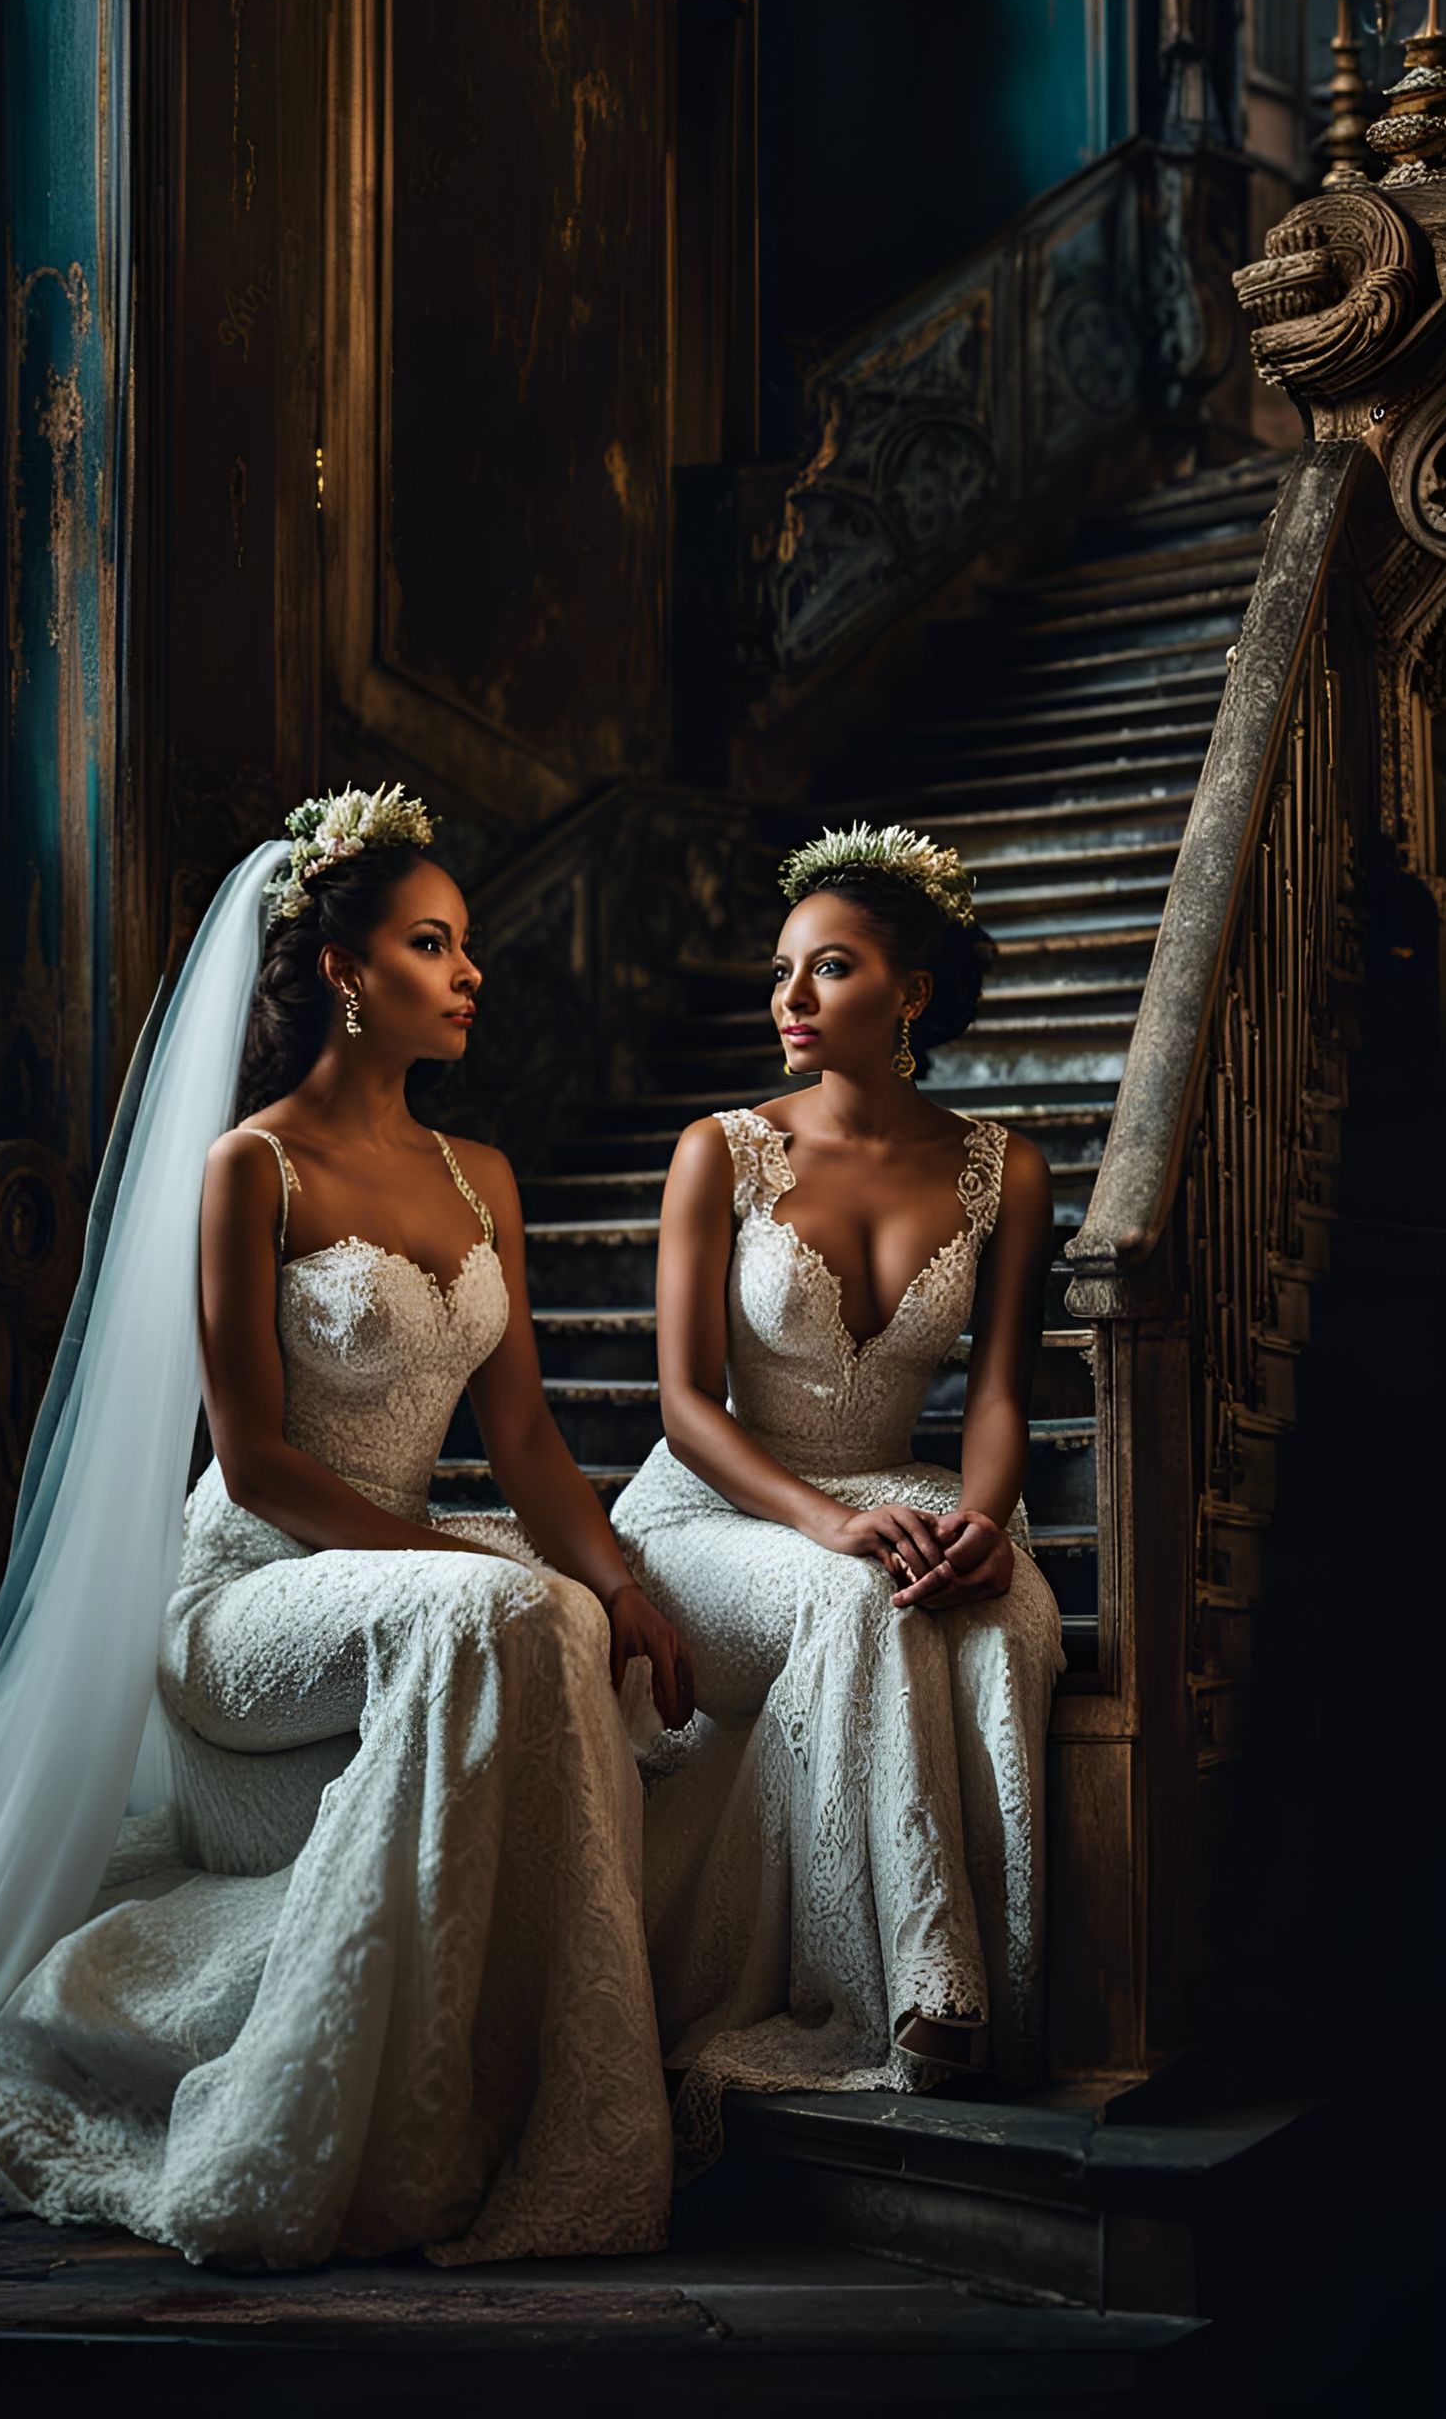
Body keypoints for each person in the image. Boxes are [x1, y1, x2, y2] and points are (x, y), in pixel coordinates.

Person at [0, 785, 692, 2268]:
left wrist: (617, 1577)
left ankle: (549, 2106)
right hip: (247, 1608)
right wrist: (470, 1564)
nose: (471, 972)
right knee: (507, 1608)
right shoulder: (254, 1167)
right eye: (434, 945)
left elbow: (532, 1442)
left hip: (399, 1617)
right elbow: (250, 1465)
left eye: (469, 945)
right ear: (346, 973)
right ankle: (388, 2144)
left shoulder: (480, 1179)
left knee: (566, 1615)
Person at [611, 822, 1066, 2164]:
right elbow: (687, 1404)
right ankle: (925, 1986)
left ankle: (1020, 1997)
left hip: (909, 1482)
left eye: (831, 970)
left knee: (1017, 1619)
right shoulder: (723, 1151)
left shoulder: (1005, 1169)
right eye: (783, 973)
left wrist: (982, 1522)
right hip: (719, 1507)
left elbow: (999, 1395)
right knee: (860, 1592)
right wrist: (827, 1521)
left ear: (911, 994)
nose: (789, 1002)